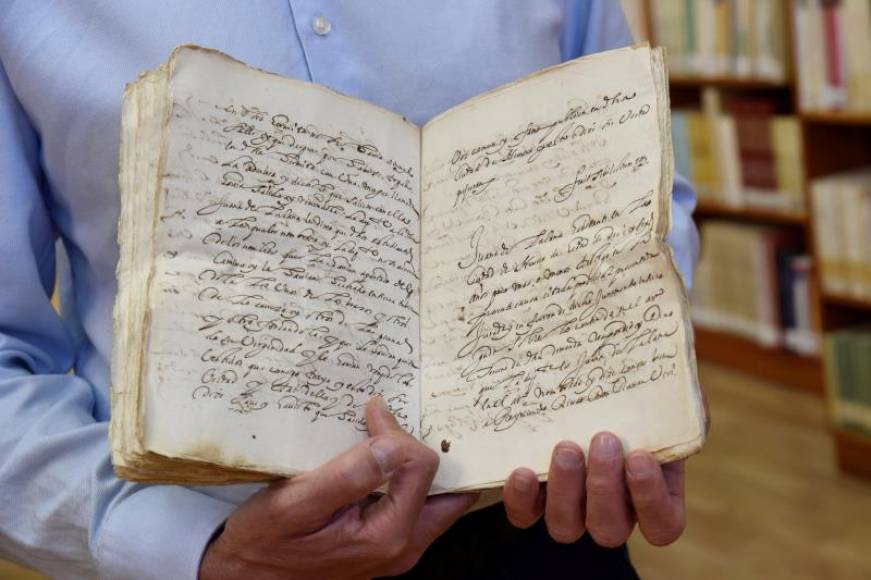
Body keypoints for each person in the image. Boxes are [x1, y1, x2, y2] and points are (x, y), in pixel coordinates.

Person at [0, 1, 700, 578]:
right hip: (219, 554)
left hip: (537, 527)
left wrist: (626, 400)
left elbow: (632, 182)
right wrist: (191, 549)